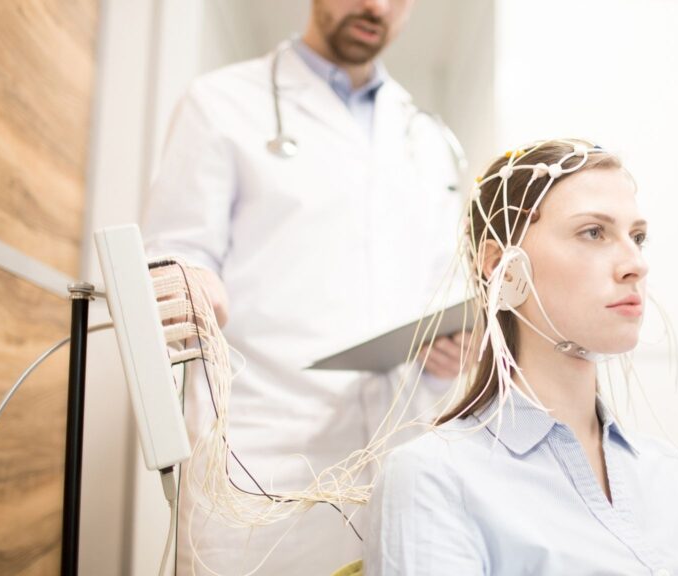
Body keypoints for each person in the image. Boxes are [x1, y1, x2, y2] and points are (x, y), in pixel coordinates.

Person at [141, 0, 468, 573]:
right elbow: (176, 254)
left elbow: (441, 282)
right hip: (264, 449)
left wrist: (448, 346)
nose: (376, 6)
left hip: (402, 448)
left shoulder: (430, 139)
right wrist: (189, 283)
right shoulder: (221, 104)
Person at [364, 140, 678, 575]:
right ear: (501, 266)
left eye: (637, 237)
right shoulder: (433, 479)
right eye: (594, 232)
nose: (635, 264)